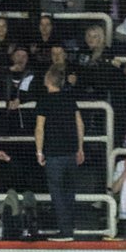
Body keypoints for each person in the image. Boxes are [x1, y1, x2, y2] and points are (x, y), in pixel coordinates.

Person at [34, 67, 84, 240]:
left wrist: (39, 151)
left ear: (48, 81)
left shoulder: (44, 101)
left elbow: (39, 128)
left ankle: (65, 231)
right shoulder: (69, 98)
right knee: (70, 192)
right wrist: (80, 147)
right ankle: (70, 227)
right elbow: (79, 124)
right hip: (71, 153)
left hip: (54, 155)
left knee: (58, 194)